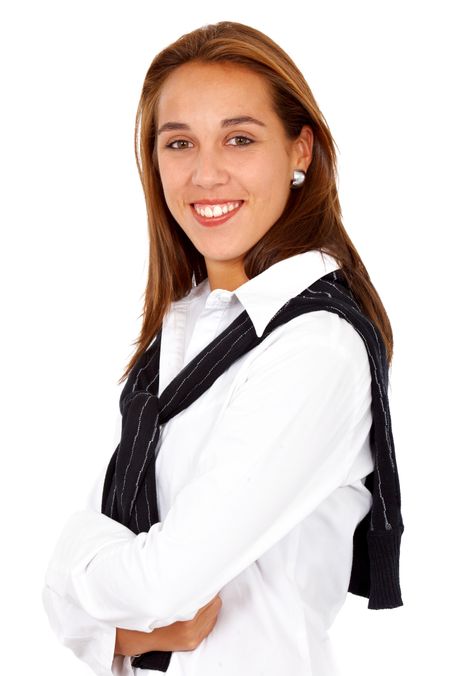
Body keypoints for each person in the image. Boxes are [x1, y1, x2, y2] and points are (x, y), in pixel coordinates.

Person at [42, 20, 404, 676]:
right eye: (179, 142)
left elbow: (162, 586)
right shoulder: (185, 328)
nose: (205, 173)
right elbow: (154, 614)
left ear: (300, 151)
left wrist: (67, 558)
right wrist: (123, 631)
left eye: (239, 138)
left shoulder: (315, 345)